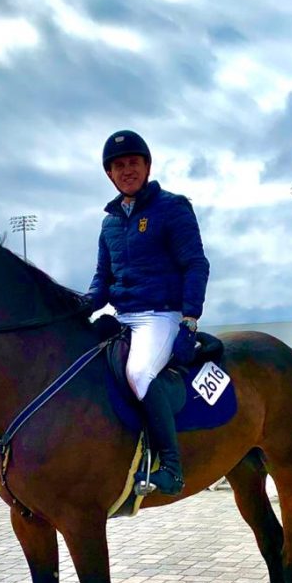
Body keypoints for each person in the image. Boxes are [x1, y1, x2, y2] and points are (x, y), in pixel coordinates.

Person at [87, 130, 210, 496]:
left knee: (139, 373)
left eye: (133, 163)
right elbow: (102, 280)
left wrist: (190, 319)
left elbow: (196, 264)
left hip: (161, 315)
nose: (127, 170)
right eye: (119, 165)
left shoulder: (172, 207)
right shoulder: (109, 223)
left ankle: (171, 467)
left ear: (147, 166)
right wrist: (79, 305)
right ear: (110, 174)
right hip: (123, 316)